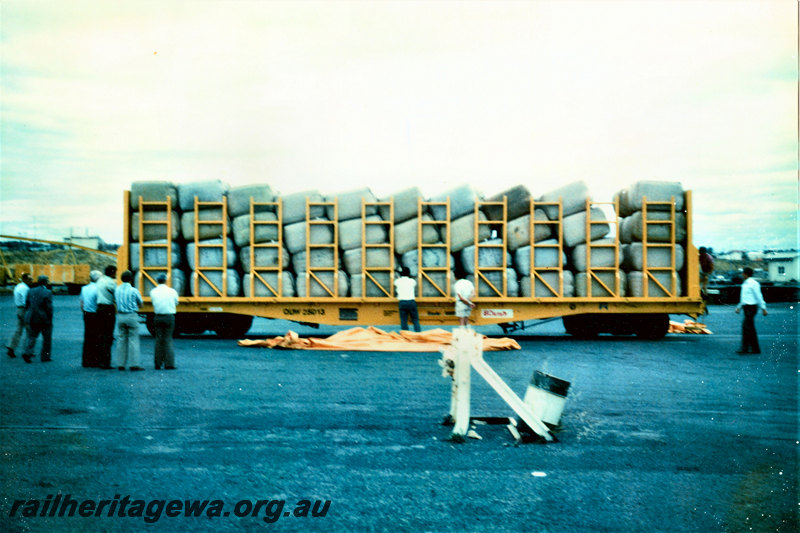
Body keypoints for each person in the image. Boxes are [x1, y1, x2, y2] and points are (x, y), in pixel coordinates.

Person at [114, 270, 144, 371]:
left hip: (120, 316)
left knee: (121, 340)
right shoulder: (134, 290)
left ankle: (121, 364)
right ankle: (134, 364)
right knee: (133, 340)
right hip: (131, 315)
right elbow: (140, 303)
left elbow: (115, 301)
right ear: (131, 279)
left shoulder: (117, 290)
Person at [21, 275, 53, 363]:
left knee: (32, 336)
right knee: (46, 338)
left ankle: (27, 352)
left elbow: (27, 304)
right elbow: (49, 307)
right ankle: (45, 356)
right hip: (43, 318)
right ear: (46, 282)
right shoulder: (47, 292)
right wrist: (50, 319)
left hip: (32, 317)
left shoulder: (31, 291)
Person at [150, 273, 179, 370]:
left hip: (158, 317)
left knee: (158, 340)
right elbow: (176, 302)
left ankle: (158, 363)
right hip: (169, 317)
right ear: (166, 280)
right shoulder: (172, 291)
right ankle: (169, 364)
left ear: (157, 281)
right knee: (168, 339)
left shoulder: (153, 291)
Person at [735, 267, 767, 355]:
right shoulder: (745, 284)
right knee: (750, 328)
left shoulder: (753, 284)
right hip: (746, 307)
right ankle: (755, 349)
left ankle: (745, 348)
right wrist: (739, 307)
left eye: (743, 273)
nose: (742, 275)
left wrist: (763, 308)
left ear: (746, 274)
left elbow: (759, 296)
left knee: (746, 327)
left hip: (752, 307)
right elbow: (743, 298)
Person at [95, 265, 118, 369]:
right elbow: (116, 295)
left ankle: (99, 360)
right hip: (108, 309)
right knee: (108, 336)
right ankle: (106, 361)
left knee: (100, 334)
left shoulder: (100, 280)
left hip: (99, 308)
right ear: (112, 272)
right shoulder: (111, 283)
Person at [6, 273, 33, 358]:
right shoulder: (25, 288)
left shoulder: (18, 286)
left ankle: (11, 346)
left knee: (19, 330)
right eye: (30, 279)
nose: (31, 281)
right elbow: (26, 301)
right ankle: (27, 351)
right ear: (25, 279)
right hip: (24, 310)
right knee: (29, 331)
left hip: (19, 309)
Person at [79, 270, 102, 367]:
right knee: (96, 338)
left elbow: (81, 303)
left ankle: (86, 360)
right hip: (95, 314)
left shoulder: (84, 288)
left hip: (86, 314)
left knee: (88, 337)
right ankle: (94, 360)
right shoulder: (98, 289)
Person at [395, 267, 420, 332]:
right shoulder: (412, 281)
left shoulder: (397, 281)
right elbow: (413, 284)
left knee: (403, 320)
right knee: (415, 320)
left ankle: (405, 335)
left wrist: (399, 278)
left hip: (402, 302)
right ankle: (418, 334)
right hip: (411, 302)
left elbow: (395, 283)